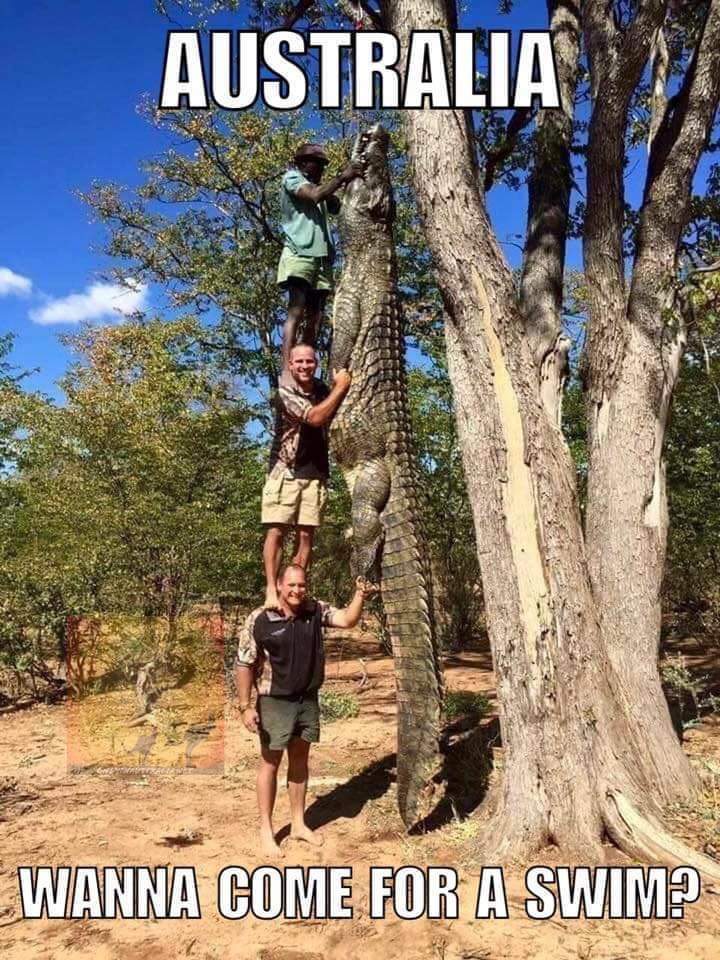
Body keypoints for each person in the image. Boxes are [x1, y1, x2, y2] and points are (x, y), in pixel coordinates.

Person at [235, 564, 377, 857]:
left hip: (307, 699)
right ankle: (266, 830)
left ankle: (299, 824)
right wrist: (245, 706)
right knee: (270, 763)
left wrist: (360, 594)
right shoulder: (261, 619)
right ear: (279, 585)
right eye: (291, 585)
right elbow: (244, 663)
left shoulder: (315, 609)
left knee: (300, 761)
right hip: (274, 700)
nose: (297, 591)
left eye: (301, 585)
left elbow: (348, 620)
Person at [261, 342, 351, 609]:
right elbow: (314, 417)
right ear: (290, 365)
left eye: (309, 361)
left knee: (305, 537)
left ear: (317, 363)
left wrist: (337, 387)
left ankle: (294, 592)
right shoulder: (284, 393)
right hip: (285, 471)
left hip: (316, 472)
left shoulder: (323, 389)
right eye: (298, 362)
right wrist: (342, 387)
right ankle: (270, 589)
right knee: (276, 531)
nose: (304, 366)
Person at [277, 142, 363, 365]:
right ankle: (288, 367)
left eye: (323, 165)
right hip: (300, 252)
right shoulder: (293, 179)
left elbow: (337, 205)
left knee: (315, 316)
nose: (321, 169)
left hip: (322, 258)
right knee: (296, 309)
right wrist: (342, 177)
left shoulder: (320, 187)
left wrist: (351, 181)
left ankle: (305, 365)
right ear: (304, 164)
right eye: (318, 164)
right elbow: (314, 195)